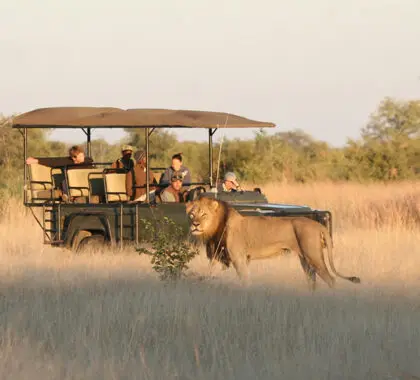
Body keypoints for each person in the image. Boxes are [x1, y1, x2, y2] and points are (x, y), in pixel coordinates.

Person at [25, 145, 94, 168]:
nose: (73, 159)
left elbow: (89, 160)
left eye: (75, 157)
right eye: (72, 157)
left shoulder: (89, 162)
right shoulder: (69, 161)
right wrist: (36, 160)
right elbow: (54, 161)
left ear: (81, 154)